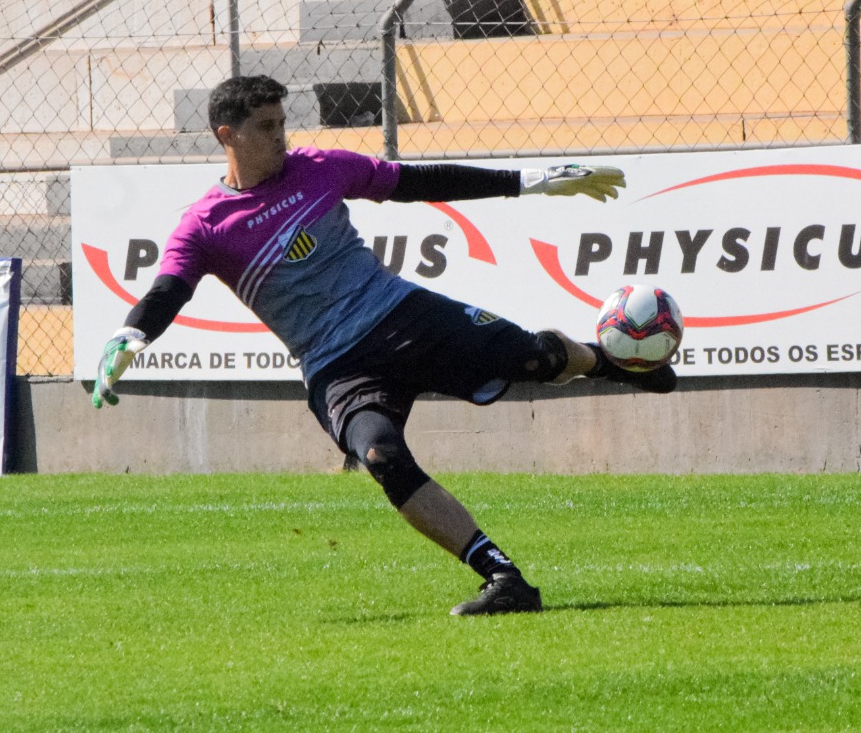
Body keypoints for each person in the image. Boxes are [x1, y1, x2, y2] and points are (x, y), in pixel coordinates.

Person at [91, 74, 676, 616]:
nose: (280, 136)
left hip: (400, 314)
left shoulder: (319, 168)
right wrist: (131, 334)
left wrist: (529, 182)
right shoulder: (206, 226)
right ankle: (504, 580)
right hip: (334, 365)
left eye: (281, 122)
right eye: (266, 127)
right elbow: (168, 289)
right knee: (381, 457)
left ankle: (610, 363)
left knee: (536, 358)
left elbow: (419, 182)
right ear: (228, 135)